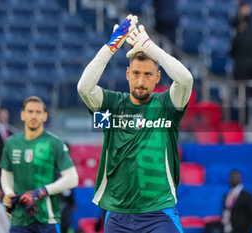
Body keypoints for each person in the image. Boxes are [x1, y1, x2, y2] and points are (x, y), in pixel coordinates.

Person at [78, 15, 193, 233]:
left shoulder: (167, 105)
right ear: (128, 74)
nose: (141, 81)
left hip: (159, 213)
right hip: (118, 215)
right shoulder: (112, 105)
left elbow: (186, 79)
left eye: (148, 75)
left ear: (158, 77)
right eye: (137, 74)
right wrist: (111, 47)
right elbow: (84, 88)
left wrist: (151, 47)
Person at [0, 96, 79, 233]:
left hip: (47, 219)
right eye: (30, 112)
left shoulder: (55, 143)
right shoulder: (11, 143)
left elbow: (72, 178)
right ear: (22, 115)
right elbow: (6, 175)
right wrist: (9, 192)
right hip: (19, 218)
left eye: (38, 112)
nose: (34, 116)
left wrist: (42, 192)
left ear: (45, 116)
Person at [230, 14, 252, 82]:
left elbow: (233, 52)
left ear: (244, 23)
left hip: (242, 69)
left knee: (242, 90)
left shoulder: (240, 36)